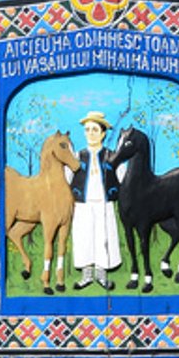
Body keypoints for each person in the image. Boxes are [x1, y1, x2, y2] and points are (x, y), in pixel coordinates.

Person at [69, 111, 122, 290]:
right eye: (87, 129)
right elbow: (66, 177)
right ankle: (86, 275)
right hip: (82, 203)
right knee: (83, 237)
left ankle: (101, 274)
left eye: (94, 129)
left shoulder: (111, 156)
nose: (90, 133)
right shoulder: (77, 155)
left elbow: (123, 177)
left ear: (103, 133)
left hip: (104, 203)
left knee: (103, 237)